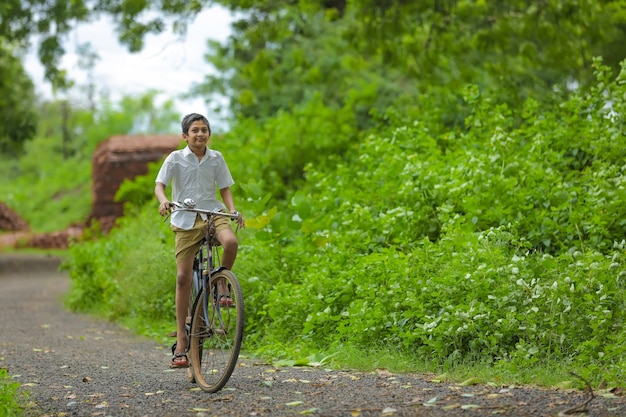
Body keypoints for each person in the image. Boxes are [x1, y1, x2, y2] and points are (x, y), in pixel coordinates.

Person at [154, 113, 245, 369]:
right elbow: (159, 184)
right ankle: (182, 341)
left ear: (209, 134)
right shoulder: (175, 158)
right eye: (195, 130)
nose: (200, 134)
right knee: (183, 278)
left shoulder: (216, 158)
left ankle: (221, 286)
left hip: (213, 214)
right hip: (184, 218)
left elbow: (225, 187)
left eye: (204, 129)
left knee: (232, 243)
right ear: (185, 135)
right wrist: (163, 200)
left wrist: (233, 209)